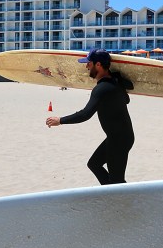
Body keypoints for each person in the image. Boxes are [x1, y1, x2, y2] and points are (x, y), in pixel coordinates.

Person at [46, 49, 135, 185]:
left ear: (98, 65)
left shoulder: (101, 89)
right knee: (94, 164)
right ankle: (110, 194)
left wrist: (60, 120)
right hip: (121, 137)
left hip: (119, 140)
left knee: (117, 180)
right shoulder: (114, 82)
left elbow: (85, 114)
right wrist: (118, 80)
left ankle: (118, 201)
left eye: (89, 63)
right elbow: (127, 98)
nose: (86, 66)